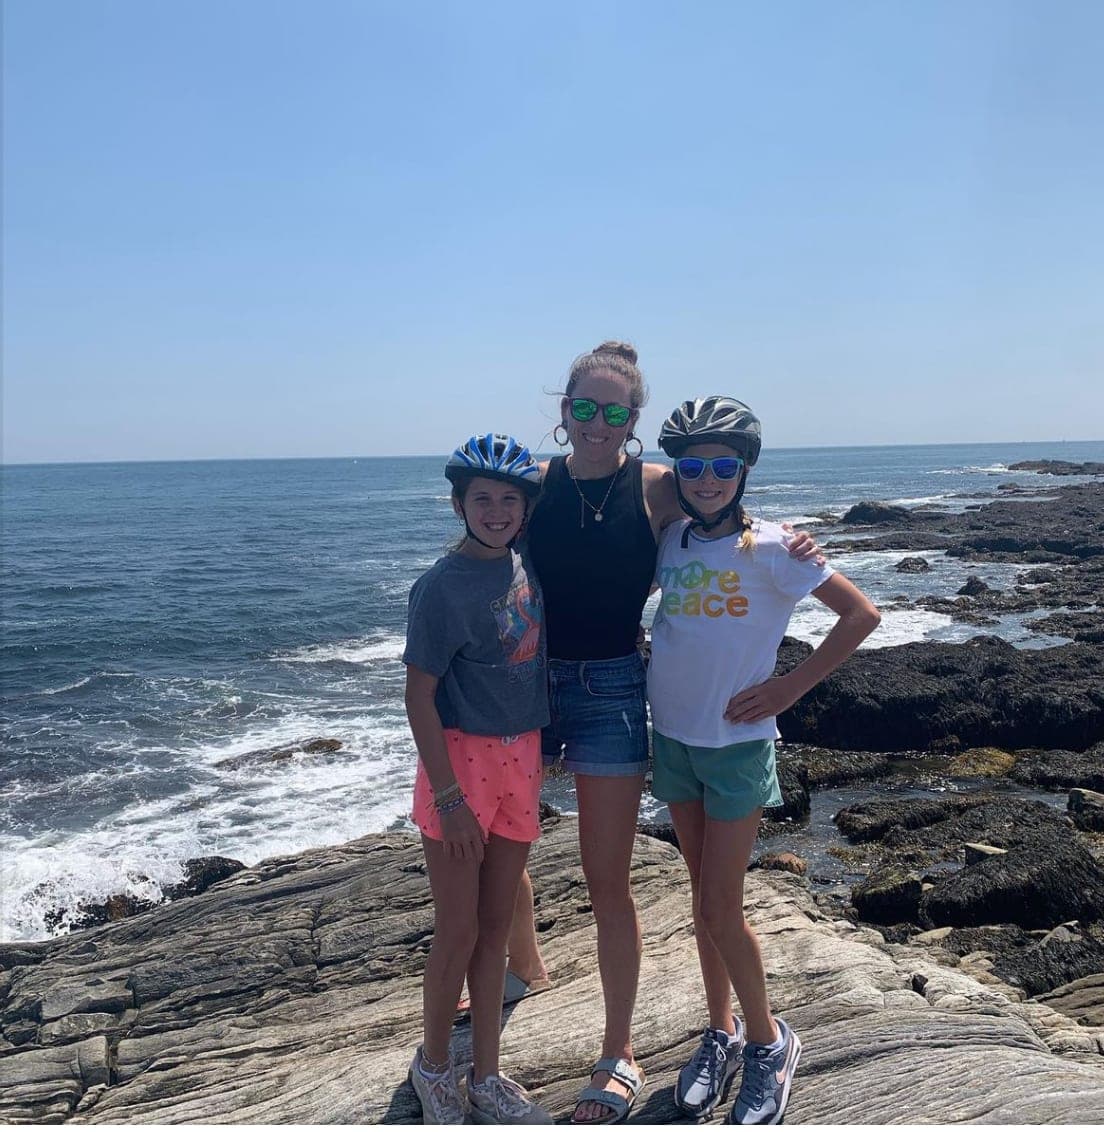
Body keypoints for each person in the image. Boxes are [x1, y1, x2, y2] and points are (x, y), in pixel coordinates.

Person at [520, 343, 823, 1124]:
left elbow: (724, 518)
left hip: (618, 690)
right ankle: (512, 973)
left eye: (615, 411)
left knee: (608, 882)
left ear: (633, 420)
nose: (598, 423)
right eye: (584, 407)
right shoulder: (533, 482)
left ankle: (618, 1052)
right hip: (531, 690)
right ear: (563, 411)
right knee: (499, 848)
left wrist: (793, 544)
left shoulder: (657, 486)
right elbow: (485, 549)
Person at [649, 396, 881, 1124]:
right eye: (693, 467)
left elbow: (862, 615)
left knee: (721, 906)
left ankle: (768, 1041)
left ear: (745, 471)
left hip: (738, 749)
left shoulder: (778, 548)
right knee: (703, 901)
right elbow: (630, 478)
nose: (707, 480)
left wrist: (788, 687)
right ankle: (719, 1031)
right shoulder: (673, 539)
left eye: (723, 466)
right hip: (673, 739)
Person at [403, 434, 553, 1125]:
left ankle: (486, 1073)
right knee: (458, 930)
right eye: (482, 499)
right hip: (460, 768)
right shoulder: (440, 587)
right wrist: (448, 798)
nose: (496, 511)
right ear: (458, 505)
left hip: (521, 761)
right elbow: (419, 696)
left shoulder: (526, 565)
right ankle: (434, 1065)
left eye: (509, 500)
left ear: (525, 509)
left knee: (496, 929)